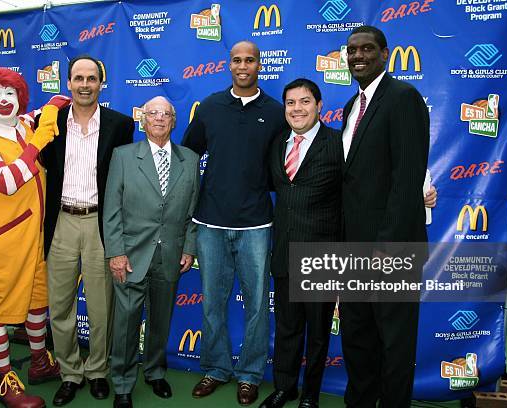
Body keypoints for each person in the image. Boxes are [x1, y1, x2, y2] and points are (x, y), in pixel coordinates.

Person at [182, 40, 287, 405]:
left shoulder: (275, 112)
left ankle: (249, 374)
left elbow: (284, 168)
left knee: (257, 305)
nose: (243, 65)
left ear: (260, 64)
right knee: (212, 301)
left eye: (250, 60)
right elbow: (188, 156)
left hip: (257, 223)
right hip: (210, 222)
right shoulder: (211, 106)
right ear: (229, 65)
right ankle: (215, 368)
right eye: (237, 60)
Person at [0, 67, 65, 408]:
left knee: (38, 302)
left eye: (10, 93)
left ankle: (39, 362)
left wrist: (51, 105)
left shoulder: (24, 124)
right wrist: (39, 140)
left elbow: (39, 114)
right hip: (3, 243)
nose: (3, 100)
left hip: (37, 237)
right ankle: (6, 379)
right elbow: (7, 181)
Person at [339, 25, 430, 407]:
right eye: (351, 50)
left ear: (385, 54)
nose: (358, 56)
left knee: (394, 340)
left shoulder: (404, 98)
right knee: (357, 335)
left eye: (366, 49)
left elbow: (406, 181)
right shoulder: (350, 107)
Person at [40, 54, 134, 406]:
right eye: (78, 78)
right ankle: (69, 373)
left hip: (100, 224)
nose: (84, 85)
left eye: (91, 78)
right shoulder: (49, 123)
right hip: (61, 222)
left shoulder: (121, 125)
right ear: (68, 83)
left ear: (100, 83)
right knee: (60, 305)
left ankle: (97, 371)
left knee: (101, 305)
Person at [104, 96, 200, 408]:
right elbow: (112, 211)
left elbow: (192, 213)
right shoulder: (123, 156)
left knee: (161, 319)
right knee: (126, 323)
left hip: (170, 255)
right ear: (142, 120)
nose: (159, 118)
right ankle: (122, 382)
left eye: (166, 114)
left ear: (174, 121)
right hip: (131, 255)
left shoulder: (189, 159)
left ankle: (156, 371)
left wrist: (188, 247)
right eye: (152, 113)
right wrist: (116, 252)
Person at [260, 78, 342, 408]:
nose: (297, 108)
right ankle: (285, 387)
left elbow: (361, 192)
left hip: (321, 255)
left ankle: (310, 394)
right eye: (291, 103)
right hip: (283, 251)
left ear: (319, 106)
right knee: (287, 327)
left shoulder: (338, 143)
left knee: (319, 333)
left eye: (305, 101)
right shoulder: (277, 142)